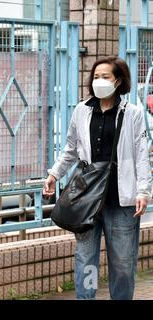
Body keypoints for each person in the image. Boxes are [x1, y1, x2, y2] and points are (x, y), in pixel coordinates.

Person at [43, 56, 152, 300]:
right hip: (87, 199)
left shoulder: (131, 113)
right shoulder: (82, 111)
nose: (98, 81)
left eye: (105, 77)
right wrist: (54, 174)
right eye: (95, 76)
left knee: (123, 264)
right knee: (86, 259)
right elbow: (70, 149)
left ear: (119, 81)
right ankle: (86, 298)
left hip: (121, 201)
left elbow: (141, 154)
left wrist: (143, 191)